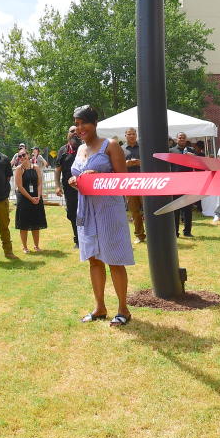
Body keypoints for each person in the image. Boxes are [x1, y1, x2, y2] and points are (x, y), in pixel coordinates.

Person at [68, 105, 133, 327]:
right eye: (76, 124)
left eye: (83, 123)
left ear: (94, 122)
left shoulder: (110, 145)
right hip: (86, 211)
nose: (79, 128)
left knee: (114, 259)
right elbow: (80, 176)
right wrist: (75, 181)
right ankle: (100, 308)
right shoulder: (79, 150)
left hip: (109, 209)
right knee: (94, 260)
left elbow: (123, 181)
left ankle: (123, 309)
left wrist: (98, 176)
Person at [14, 149, 47, 252]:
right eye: (20, 156)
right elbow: (20, 186)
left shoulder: (36, 167)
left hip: (36, 198)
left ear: (28, 155)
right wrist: (31, 198)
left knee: (35, 223)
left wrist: (38, 196)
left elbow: (39, 183)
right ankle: (25, 247)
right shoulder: (19, 169)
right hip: (24, 199)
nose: (22, 157)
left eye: (23, 155)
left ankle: (36, 246)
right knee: (24, 224)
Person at [54, 126, 80, 247]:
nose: (74, 133)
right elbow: (58, 170)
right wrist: (57, 186)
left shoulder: (85, 148)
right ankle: (78, 240)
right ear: (67, 135)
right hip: (69, 189)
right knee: (72, 213)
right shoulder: (62, 150)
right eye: (72, 131)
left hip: (85, 187)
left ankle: (87, 238)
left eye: (76, 131)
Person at [122, 127, 146, 243]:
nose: (131, 136)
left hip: (144, 183)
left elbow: (150, 163)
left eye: (133, 134)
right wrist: (126, 164)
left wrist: (141, 162)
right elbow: (116, 166)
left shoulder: (143, 147)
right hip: (129, 184)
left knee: (148, 209)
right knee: (135, 211)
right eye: (129, 134)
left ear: (136, 135)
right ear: (125, 136)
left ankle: (152, 234)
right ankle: (139, 235)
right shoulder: (121, 149)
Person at [171, 132, 195, 237]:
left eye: (183, 138)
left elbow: (197, 164)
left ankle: (187, 231)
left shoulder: (191, 151)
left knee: (188, 208)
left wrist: (193, 157)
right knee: (175, 208)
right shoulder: (171, 151)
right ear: (176, 139)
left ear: (186, 139)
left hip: (188, 181)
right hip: (175, 183)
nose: (181, 139)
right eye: (180, 137)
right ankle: (175, 232)